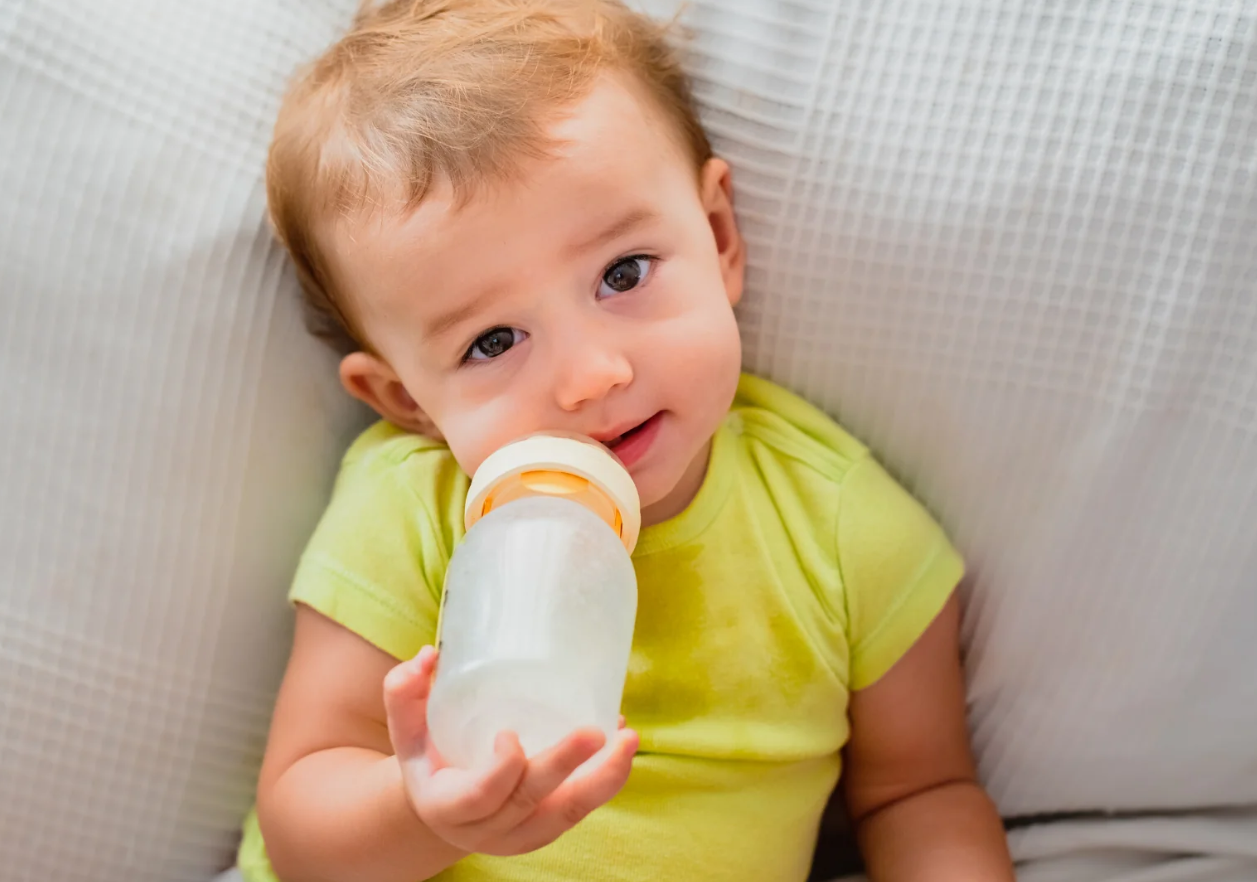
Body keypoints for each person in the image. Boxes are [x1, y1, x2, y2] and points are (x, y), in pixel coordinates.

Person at [239, 1, 1013, 880]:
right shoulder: (411, 511)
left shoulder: (838, 529)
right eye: (491, 342)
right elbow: (303, 826)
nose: (590, 376)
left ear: (718, 237)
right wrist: (428, 812)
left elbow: (920, 794)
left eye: (621, 274)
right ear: (406, 400)